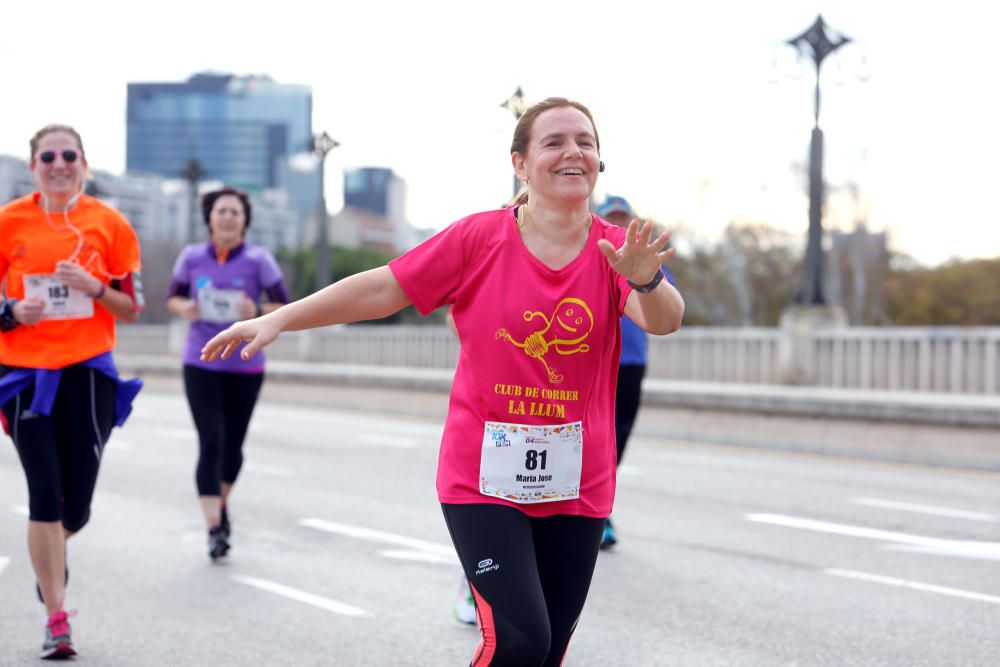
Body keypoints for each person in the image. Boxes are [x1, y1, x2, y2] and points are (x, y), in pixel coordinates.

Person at [201, 97, 684, 666]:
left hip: (578, 484)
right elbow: (384, 288)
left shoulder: (615, 251)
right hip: (483, 478)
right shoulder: (477, 240)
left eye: (585, 141)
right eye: (553, 141)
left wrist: (649, 281)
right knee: (521, 641)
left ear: (600, 162)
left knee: (547, 651)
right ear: (521, 164)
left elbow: (664, 320)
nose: (572, 151)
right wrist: (279, 317)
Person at [0, 124, 144, 659]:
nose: (59, 163)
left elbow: (132, 308)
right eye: (47, 156)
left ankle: (52, 556)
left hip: (87, 373)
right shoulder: (9, 220)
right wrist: (11, 311)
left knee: (74, 509)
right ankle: (55, 617)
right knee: (43, 494)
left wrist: (95, 288)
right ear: (32, 165)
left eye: (69, 155)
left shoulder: (110, 224)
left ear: (83, 162)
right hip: (21, 375)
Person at [166, 187, 290, 561]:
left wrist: (256, 309)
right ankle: (214, 527)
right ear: (210, 217)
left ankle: (220, 506)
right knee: (212, 442)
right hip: (201, 361)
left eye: (235, 212)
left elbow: (283, 304)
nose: (228, 217)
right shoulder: (191, 257)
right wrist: (185, 307)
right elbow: (172, 297)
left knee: (233, 449)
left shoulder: (259, 260)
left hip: (246, 364)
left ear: (245, 220)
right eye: (221, 211)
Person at [593, 195, 676, 550]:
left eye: (623, 217)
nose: (619, 223)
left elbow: (670, 305)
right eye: (612, 217)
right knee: (597, 439)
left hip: (633, 363)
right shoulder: (594, 251)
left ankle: (599, 509)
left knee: (619, 439)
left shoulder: (645, 258)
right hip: (595, 361)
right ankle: (596, 515)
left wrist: (645, 276)